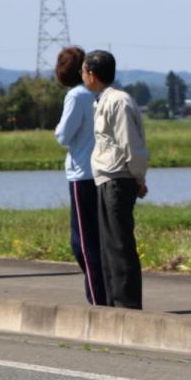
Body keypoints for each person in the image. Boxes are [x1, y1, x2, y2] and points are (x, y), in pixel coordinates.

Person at [82, 50, 149, 309]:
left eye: (83, 72)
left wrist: (138, 178)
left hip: (118, 178)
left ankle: (127, 305)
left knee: (120, 245)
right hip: (105, 178)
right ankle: (112, 303)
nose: (82, 77)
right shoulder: (102, 100)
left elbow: (131, 144)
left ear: (92, 74)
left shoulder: (118, 101)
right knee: (108, 246)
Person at [53, 46, 107, 306]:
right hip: (104, 172)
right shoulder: (103, 93)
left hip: (82, 173)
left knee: (82, 242)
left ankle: (97, 298)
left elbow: (64, 135)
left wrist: (56, 128)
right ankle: (106, 294)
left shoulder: (76, 95)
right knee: (102, 238)